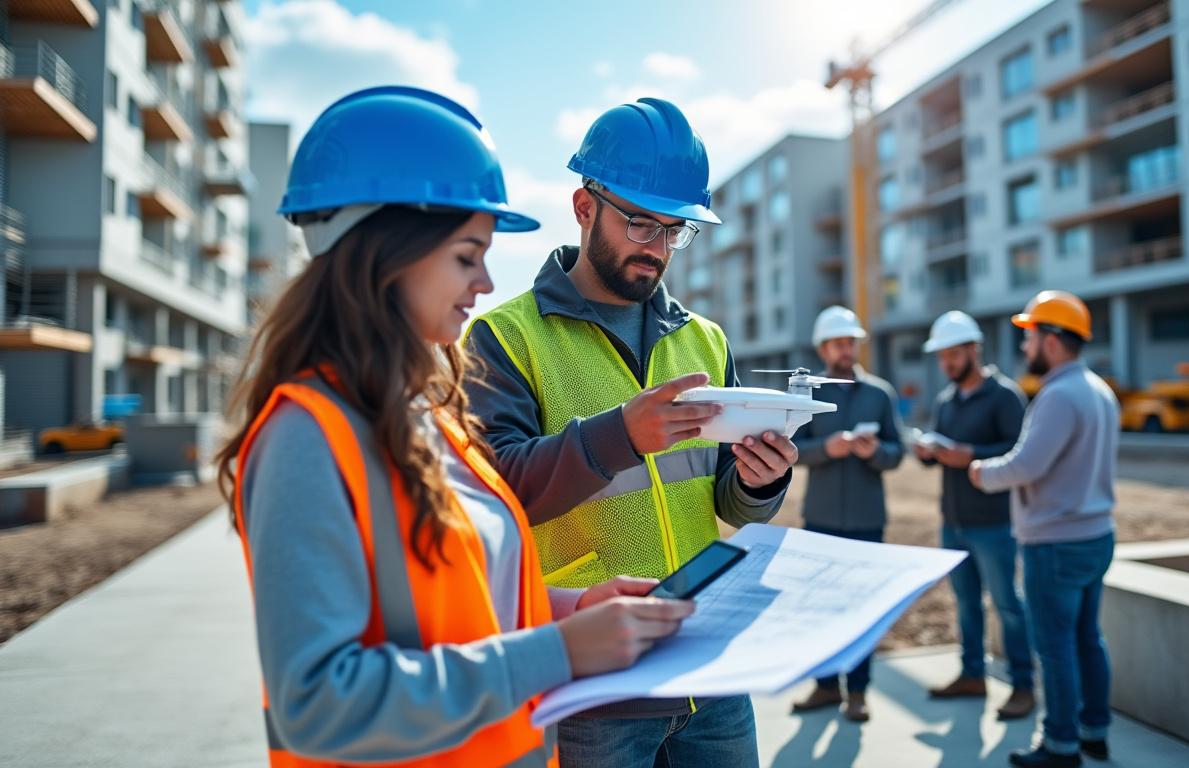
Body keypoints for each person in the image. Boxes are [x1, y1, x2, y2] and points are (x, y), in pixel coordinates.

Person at [217, 86, 694, 768]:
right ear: (387, 256)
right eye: (467, 256)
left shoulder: (434, 418)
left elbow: (467, 603)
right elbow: (319, 705)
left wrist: (573, 610)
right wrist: (559, 652)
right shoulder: (306, 439)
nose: (485, 283)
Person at [464, 97, 796, 767]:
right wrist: (618, 434)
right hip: (597, 677)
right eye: (641, 223)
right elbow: (498, 500)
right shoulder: (504, 338)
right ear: (585, 208)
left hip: (709, 666)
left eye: (676, 230)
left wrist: (764, 480)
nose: (658, 248)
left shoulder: (704, 340)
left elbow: (724, 500)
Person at [968, 291, 1120, 768]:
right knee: (1087, 639)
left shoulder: (1058, 395)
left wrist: (981, 472)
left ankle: (1060, 745)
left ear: (1052, 340)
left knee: (1054, 648)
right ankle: (1094, 732)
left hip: (1055, 542)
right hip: (1096, 535)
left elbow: (1027, 465)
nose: (1025, 346)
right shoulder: (1100, 390)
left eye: (1030, 336)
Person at [915, 311, 1035, 721]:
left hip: (996, 523)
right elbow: (944, 456)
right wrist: (929, 454)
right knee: (966, 605)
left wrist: (970, 454)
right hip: (955, 521)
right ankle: (972, 675)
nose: (946, 363)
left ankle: (1023, 685)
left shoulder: (1005, 397)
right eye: (941, 356)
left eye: (952, 354)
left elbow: (1019, 453)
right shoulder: (946, 400)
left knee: (1007, 605)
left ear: (974, 350)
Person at [789, 306, 905, 723]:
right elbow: (791, 450)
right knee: (818, 607)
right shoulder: (808, 393)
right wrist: (827, 449)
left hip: (866, 520)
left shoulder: (881, 395)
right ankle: (824, 686)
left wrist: (876, 453)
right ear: (823, 347)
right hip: (820, 519)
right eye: (838, 342)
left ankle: (857, 693)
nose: (846, 348)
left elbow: (898, 453)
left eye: (851, 341)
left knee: (862, 609)